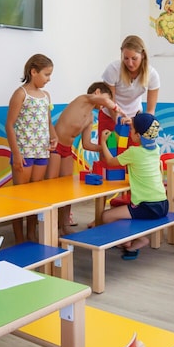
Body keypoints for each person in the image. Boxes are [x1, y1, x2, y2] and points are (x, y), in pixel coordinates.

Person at [47, 81, 123, 233]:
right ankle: (50, 225)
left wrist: (104, 147)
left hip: (67, 150)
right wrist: (116, 108)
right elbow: (105, 101)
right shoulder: (83, 99)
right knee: (51, 187)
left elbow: (87, 144)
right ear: (97, 92)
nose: (104, 106)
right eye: (106, 99)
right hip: (55, 147)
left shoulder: (89, 118)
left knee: (66, 188)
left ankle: (64, 224)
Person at [98, 112, 168, 260]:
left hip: (147, 206)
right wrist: (134, 123)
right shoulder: (156, 149)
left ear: (138, 135)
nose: (129, 132)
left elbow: (110, 162)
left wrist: (103, 142)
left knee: (106, 216)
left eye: (131, 129)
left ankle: (138, 240)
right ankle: (127, 241)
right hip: (162, 203)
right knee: (120, 211)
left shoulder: (134, 152)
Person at [5, 53, 55, 242]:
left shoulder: (46, 96)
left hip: (42, 153)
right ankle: (19, 238)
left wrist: (54, 136)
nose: (49, 79)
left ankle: (31, 234)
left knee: (35, 197)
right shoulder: (21, 94)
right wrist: (16, 154)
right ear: (33, 72)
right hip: (24, 153)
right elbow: (9, 125)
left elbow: (48, 122)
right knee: (20, 197)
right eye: (46, 74)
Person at [99, 35, 160, 134]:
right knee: (109, 144)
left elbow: (150, 111)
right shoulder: (113, 70)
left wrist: (138, 125)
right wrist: (119, 122)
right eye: (126, 58)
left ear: (143, 55)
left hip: (135, 120)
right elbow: (110, 103)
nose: (130, 63)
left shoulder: (152, 75)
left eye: (134, 58)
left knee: (133, 144)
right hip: (110, 116)